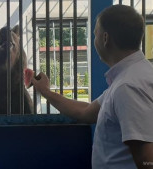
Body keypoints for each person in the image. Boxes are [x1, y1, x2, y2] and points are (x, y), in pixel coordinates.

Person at [32, 5, 153, 169]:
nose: (93, 40)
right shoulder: (134, 76)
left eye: (94, 34)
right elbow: (86, 112)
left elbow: (147, 161)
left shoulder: (127, 87)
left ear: (105, 38)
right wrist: (45, 91)